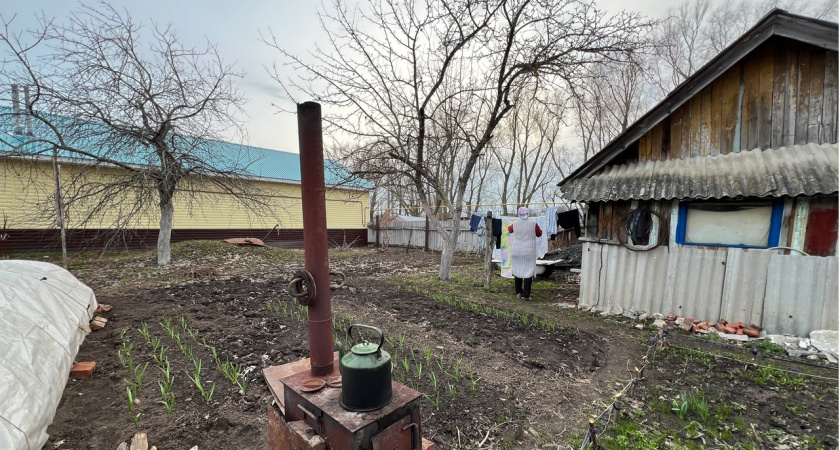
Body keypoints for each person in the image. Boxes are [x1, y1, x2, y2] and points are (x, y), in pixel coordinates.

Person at [508, 206, 542, 301]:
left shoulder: (515, 224)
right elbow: (539, 234)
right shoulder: (533, 223)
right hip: (528, 252)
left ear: (519, 214)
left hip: (517, 251)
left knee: (518, 270)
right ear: (528, 214)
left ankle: (518, 292)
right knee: (528, 272)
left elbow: (509, 230)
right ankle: (526, 295)